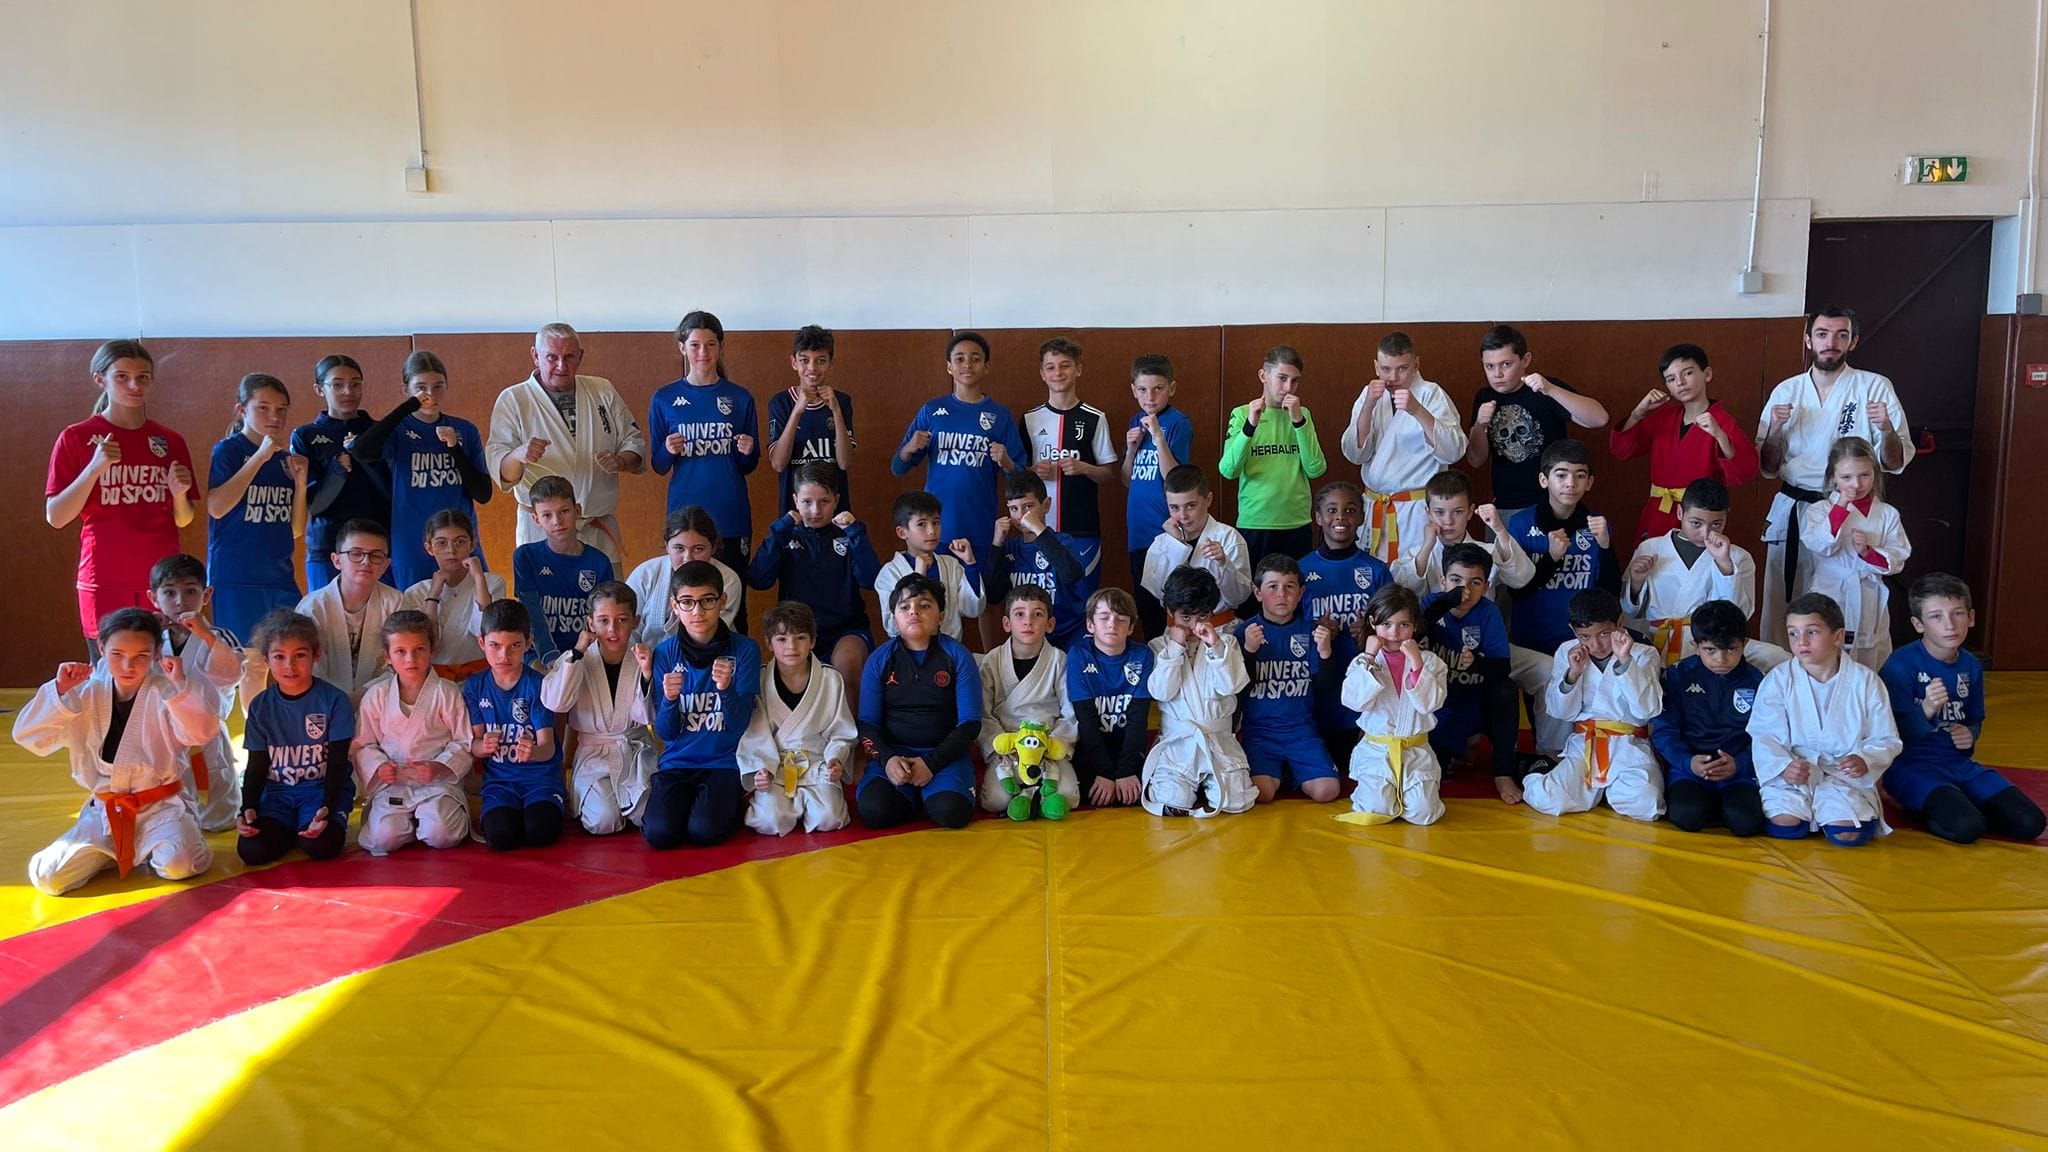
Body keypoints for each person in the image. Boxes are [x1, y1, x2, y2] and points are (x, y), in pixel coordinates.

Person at [12, 608, 217, 895]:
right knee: (49, 877)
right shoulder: (86, 693)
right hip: (106, 812)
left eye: (141, 656)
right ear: (101, 647)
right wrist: (60, 691)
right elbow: (29, 736)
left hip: (161, 808)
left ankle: (144, 846)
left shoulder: (167, 690)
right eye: (117, 654)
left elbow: (201, 733)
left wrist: (181, 688)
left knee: (180, 864)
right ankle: (115, 851)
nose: (127, 666)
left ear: (157, 652)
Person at [1757, 307, 1914, 640]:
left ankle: (1848, 667)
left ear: (1853, 341)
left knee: (1847, 602)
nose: (1831, 342)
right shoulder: (1787, 391)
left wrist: (1887, 429)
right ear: (1808, 340)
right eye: (1822, 334)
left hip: (1853, 512)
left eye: (1841, 335)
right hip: (1796, 508)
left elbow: (1894, 461)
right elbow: (1767, 467)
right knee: (1784, 599)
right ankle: (1782, 668)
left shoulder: (1874, 386)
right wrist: (1775, 430)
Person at [45, 340, 197, 651]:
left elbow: (183, 518)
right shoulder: (76, 437)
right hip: (104, 578)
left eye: (142, 377)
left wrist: (180, 494)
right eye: (122, 377)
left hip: (161, 580)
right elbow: (56, 517)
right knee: (110, 671)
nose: (134, 385)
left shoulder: (169, 440)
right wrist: (94, 469)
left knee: (164, 670)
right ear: (100, 379)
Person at [1880, 574, 2046, 844]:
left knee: (2031, 823)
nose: (1949, 625)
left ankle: (1960, 802)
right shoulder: (1899, 666)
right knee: (1968, 828)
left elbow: (1975, 718)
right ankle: (1909, 805)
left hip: (1959, 765)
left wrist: (1971, 733)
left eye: (1957, 613)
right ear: (1919, 624)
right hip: (1912, 768)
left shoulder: (1970, 665)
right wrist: (1926, 709)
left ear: (1970, 617)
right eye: (1936, 617)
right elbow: (1887, 736)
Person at [891, 331, 1026, 641]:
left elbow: (1019, 479)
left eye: (975, 359)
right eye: (960, 359)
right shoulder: (932, 410)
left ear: (986, 367)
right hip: (936, 528)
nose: (967, 365)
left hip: (980, 524)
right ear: (949, 367)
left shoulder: (999, 416)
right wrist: (910, 447)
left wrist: (1006, 462)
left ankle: (990, 665)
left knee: (986, 600)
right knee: (933, 599)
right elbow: (898, 467)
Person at [487, 323, 646, 568]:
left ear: (580, 356)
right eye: (552, 357)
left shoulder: (602, 390)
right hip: (541, 532)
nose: (561, 366)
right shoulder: (514, 399)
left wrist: (621, 461)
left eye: (569, 357)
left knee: (610, 593)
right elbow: (501, 472)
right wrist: (518, 455)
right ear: (535, 356)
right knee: (544, 593)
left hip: (596, 529)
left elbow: (633, 442)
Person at [1500, 441, 1620, 757]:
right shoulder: (1522, 523)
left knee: (1572, 713)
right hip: (1531, 637)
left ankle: (1558, 760)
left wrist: (1606, 546)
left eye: (1580, 476)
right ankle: (1542, 760)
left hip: (1578, 640)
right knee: (1541, 710)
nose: (1570, 483)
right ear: (1544, 479)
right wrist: (1551, 559)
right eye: (1562, 475)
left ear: (1590, 482)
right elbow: (1517, 590)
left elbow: (1609, 591)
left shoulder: (1596, 524)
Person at [1751, 592, 1901, 846]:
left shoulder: (1865, 681)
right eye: (1793, 633)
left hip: (1844, 776)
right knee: (1785, 824)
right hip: (1795, 772)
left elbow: (1885, 737)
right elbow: (1764, 734)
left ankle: (1828, 813)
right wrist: (1784, 767)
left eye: (1812, 632)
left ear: (1838, 636)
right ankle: (1809, 812)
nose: (1801, 642)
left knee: (1847, 833)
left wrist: (1865, 759)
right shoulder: (1778, 679)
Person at [348, 350, 494, 589]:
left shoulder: (465, 430)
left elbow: (483, 493)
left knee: (478, 608)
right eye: (421, 388)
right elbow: (361, 452)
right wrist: (409, 406)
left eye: (438, 387)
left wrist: (454, 448)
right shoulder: (396, 430)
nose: (430, 395)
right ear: (405, 390)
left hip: (459, 543)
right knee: (416, 609)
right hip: (412, 544)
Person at [747, 461, 882, 709]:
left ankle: (851, 735)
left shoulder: (848, 534)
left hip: (845, 629)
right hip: (797, 632)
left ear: (836, 500)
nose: (815, 510)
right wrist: (779, 532)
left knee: (848, 668)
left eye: (824, 501)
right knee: (793, 680)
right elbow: (758, 580)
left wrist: (855, 534)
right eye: (807, 502)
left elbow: (871, 580)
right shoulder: (786, 535)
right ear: (795, 500)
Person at [1521, 590, 1665, 821]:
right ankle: (1535, 767)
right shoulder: (1567, 652)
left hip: (1629, 746)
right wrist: (1573, 675)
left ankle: (1608, 789)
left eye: (1604, 634)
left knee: (1645, 803)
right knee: (1548, 797)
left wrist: (1625, 662)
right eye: (1584, 636)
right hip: (1584, 746)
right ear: (1573, 630)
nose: (1595, 645)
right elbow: (1560, 712)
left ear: (1620, 622)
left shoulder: (1643, 653)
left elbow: (1647, 711)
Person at [644, 561, 759, 849]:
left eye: (707, 600)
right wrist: (670, 701)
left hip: (724, 762)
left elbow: (739, 724)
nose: (697, 611)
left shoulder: (744, 649)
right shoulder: (665, 653)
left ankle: (732, 800)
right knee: (660, 834)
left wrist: (726, 690)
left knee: (704, 831)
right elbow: (666, 733)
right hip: (677, 762)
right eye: (687, 602)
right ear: (675, 605)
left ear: (723, 600)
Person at [856, 574, 984, 831]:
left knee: (952, 812)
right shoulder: (879, 660)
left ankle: (930, 795)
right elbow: (867, 724)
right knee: (874, 810)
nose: (914, 612)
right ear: (895, 619)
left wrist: (931, 764)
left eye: (924, 605)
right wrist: (888, 760)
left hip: (944, 758)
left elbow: (970, 724)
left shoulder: (958, 656)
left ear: (940, 616)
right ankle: (911, 796)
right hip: (894, 756)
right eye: (905, 607)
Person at [648, 310, 760, 590]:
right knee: (686, 596)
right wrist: (667, 450)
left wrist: (747, 451)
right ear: (682, 347)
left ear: (721, 346)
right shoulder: (664, 398)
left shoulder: (740, 397)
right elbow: (658, 465)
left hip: (730, 514)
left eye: (710, 344)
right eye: (695, 345)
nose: (703, 352)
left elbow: (749, 466)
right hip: (684, 517)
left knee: (734, 596)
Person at [236, 609, 357, 864]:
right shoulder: (261, 706)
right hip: (277, 795)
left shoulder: (334, 700)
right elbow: (256, 764)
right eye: (279, 657)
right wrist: (248, 807)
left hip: (319, 792)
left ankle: (302, 826)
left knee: (321, 845)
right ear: (266, 660)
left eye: (299, 655)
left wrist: (327, 807)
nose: (289, 666)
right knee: (251, 851)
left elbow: (338, 763)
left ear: (316, 655)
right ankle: (288, 827)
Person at [1609, 343, 1760, 545]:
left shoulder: (1722, 422)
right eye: (1671, 379)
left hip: (1698, 518)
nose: (1680, 382)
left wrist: (1720, 436)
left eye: (1687, 373)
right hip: (1658, 512)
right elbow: (1621, 450)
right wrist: (1638, 413)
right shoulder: (1664, 416)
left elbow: (1745, 472)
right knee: (1650, 561)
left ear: (1707, 374)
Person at [351, 609, 473, 855]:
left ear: (432, 650)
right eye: (400, 651)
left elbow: (463, 741)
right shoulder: (377, 695)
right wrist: (379, 766)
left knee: (440, 834)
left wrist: (438, 766)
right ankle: (408, 825)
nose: (411, 659)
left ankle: (424, 822)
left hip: (436, 782)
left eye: (419, 649)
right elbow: (363, 744)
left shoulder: (446, 692)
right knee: (383, 838)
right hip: (393, 782)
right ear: (387, 656)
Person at [1339, 331, 1467, 564]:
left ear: (1416, 365)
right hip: (1375, 505)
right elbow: (1355, 455)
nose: (1393, 377)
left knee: (1416, 572)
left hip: (1415, 510)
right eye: (1386, 369)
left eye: (1402, 369)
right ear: (1376, 367)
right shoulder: (1369, 395)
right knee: (1375, 575)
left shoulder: (1431, 394)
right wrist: (1368, 405)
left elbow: (1454, 451)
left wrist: (1417, 410)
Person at [541, 582, 655, 836]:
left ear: (635, 621)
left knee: (647, 815)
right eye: (603, 621)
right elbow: (556, 703)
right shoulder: (577, 658)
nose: (612, 629)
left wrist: (647, 673)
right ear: (590, 623)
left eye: (622, 620)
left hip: (635, 750)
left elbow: (647, 715)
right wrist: (577, 652)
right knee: (603, 821)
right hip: (594, 755)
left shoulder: (644, 657)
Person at [1141, 568, 1256, 817]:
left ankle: (1211, 784)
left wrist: (1215, 646)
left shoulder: (1226, 643)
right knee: (1171, 800)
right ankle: (1190, 787)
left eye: (1202, 616)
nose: (1194, 625)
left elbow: (1232, 686)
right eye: (1185, 617)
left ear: (1212, 613)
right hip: (1179, 745)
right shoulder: (1158, 646)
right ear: (1170, 611)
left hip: (1219, 741)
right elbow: (1161, 692)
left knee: (1237, 802)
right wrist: (1175, 648)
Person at [205, 373, 309, 647]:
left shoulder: (285, 459)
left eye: (281, 409)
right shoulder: (228, 450)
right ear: (242, 410)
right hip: (236, 579)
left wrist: (300, 485)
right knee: (244, 659)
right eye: (263, 407)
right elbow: (216, 507)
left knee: (288, 652)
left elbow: (295, 530)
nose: (274, 416)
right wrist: (260, 457)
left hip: (279, 577)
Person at [1298, 481, 1397, 766]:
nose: (1340, 517)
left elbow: (1395, 627)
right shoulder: (1301, 569)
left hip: (1364, 684)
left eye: (1350, 510)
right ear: (1318, 517)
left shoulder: (1376, 571)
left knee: (1352, 764)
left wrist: (1369, 633)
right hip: (1316, 683)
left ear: (1362, 518)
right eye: (1331, 510)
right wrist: (1316, 632)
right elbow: (1287, 625)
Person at [1465, 325, 1610, 520]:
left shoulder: (1544, 389)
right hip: (1505, 505)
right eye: (1489, 366)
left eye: (1506, 364)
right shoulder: (1485, 396)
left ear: (1525, 360)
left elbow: (1600, 418)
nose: (1497, 374)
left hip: (1551, 503)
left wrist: (1550, 390)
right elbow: (1475, 460)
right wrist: (1479, 425)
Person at [737, 601, 857, 836]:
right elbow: (754, 733)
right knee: (769, 820)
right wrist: (760, 769)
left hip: (817, 765)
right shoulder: (759, 679)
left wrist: (835, 759)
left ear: (812, 641)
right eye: (781, 639)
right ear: (768, 643)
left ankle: (813, 803)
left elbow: (842, 731)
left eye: (800, 638)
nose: (791, 646)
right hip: (776, 767)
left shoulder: (831, 679)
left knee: (830, 818)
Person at [147, 554, 248, 832]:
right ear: (153, 598)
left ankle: (220, 815)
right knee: (174, 803)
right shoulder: (150, 639)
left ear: (206, 595)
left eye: (190, 591)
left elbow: (231, 676)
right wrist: (148, 637)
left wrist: (206, 636)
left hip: (209, 731)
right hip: (166, 732)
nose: (180, 601)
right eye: (169, 593)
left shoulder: (220, 636)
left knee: (218, 794)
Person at [1650, 600, 1767, 837]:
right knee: (1687, 816)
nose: (1721, 659)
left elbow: (1766, 736)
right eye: (1710, 650)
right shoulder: (1678, 676)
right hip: (1689, 770)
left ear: (1744, 644)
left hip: (1739, 772)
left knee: (1746, 824)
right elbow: (1664, 731)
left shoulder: (1758, 681)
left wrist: (1740, 764)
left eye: (1731, 649)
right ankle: (1709, 804)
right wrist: (1688, 762)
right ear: (1695, 646)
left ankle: (1725, 805)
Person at [1339, 584, 1450, 826]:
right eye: (1386, 624)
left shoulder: (1431, 662)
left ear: (1416, 625)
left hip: (1415, 751)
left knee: (1424, 814)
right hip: (1376, 751)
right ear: (1373, 623)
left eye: (1404, 625)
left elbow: (1430, 704)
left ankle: (1412, 795)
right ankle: (1376, 792)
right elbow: (1353, 702)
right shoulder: (1363, 662)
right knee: (1377, 809)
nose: (1394, 633)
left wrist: (1417, 664)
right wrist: (1369, 658)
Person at [1799, 436, 1910, 670]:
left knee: (1870, 652)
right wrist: (1840, 507)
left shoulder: (1887, 514)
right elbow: (1819, 544)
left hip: (1868, 592)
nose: (1856, 485)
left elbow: (1898, 555)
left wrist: (1868, 552)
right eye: (1846, 477)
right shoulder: (1819, 510)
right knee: (1826, 648)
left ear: (1875, 474)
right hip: (1830, 589)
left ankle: (1867, 691)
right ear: (1833, 477)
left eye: (1864, 475)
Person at [1422, 544, 1521, 805]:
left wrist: (1477, 663)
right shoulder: (1431, 604)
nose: (1464, 591)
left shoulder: (1488, 612)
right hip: (1442, 704)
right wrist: (1444, 604)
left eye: (1474, 583)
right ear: (1443, 581)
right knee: (1434, 775)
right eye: (1456, 581)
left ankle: (1503, 773)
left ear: (1486, 587)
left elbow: (1503, 667)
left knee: (1506, 689)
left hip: (1477, 699)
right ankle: (1460, 746)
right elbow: (1414, 633)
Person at [1023, 337, 1116, 615]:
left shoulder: (1095, 417)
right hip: (1039, 529)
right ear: (1042, 374)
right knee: (1040, 606)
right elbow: (1017, 476)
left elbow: (1109, 475)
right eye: (1050, 367)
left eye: (1065, 365)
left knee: (1084, 604)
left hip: (1083, 528)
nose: (1058, 373)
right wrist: (1033, 472)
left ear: (1078, 369)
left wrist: (1084, 468)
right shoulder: (1029, 419)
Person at [1240, 554, 1343, 804]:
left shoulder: (1312, 632)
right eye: (1272, 586)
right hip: (1260, 733)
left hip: (1301, 732)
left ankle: (1292, 771)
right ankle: (1283, 772)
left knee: (1327, 791)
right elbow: (1236, 689)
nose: (1281, 595)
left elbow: (1326, 690)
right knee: (1261, 793)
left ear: (1301, 592)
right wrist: (1249, 652)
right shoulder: (1244, 632)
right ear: (1257, 592)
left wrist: (1326, 654)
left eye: (1289, 586)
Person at [464, 599, 565, 851]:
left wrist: (533, 752)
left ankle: (550, 804)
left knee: (541, 831)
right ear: (481, 642)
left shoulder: (538, 684)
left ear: (529, 643)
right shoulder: (475, 687)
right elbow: (475, 745)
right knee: (501, 837)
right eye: (495, 645)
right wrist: (483, 746)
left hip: (540, 780)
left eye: (515, 646)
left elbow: (548, 748)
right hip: (500, 784)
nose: (504, 655)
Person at [1620, 478, 1757, 665]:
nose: (1705, 533)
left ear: (1727, 516)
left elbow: (1739, 617)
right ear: (1680, 512)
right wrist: (1636, 583)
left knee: (1773, 655)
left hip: (1711, 648)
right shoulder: (1650, 548)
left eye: (1716, 524)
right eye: (1696, 523)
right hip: (1656, 641)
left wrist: (1724, 564)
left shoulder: (1739, 557)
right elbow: (1630, 612)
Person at [977, 586, 1081, 816]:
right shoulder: (992, 661)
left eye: (1037, 614)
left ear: (1050, 624)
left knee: (1069, 797)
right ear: (1007, 623)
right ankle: (1034, 795)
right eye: (1019, 614)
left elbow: (1070, 712)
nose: (1028, 622)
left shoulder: (1059, 660)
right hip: (1009, 749)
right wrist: (999, 746)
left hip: (1047, 745)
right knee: (994, 801)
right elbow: (983, 713)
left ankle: (1028, 794)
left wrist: (1052, 746)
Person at [1220, 345, 1327, 563]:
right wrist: (1250, 425)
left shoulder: (1303, 414)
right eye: (1282, 378)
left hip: (1296, 523)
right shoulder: (1241, 414)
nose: (1288, 388)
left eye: (1295, 381)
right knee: (1256, 584)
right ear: (1263, 376)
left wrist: (1299, 422)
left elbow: (1316, 469)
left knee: (1297, 583)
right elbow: (1228, 471)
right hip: (1255, 523)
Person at [297, 354, 393, 591]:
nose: (348, 391)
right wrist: (337, 469)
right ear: (320, 389)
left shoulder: (380, 431)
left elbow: (395, 494)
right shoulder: (306, 435)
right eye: (338, 385)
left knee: (386, 613)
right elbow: (314, 505)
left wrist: (365, 457)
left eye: (355, 384)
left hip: (377, 547)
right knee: (326, 613)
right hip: (327, 546)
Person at [296, 519, 419, 702]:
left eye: (376, 556)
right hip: (322, 703)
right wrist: (339, 706)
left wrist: (360, 697)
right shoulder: (312, 608)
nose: (366, 561)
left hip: (379, 701)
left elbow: (401, 663)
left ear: (385, 565)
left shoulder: (395, 602)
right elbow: (308, 667)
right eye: (356, 554)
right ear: (337, 560)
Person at [1122, 353, 1194, 641]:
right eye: (1142, 389)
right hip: (1138, 533)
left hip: (1165, 533)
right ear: (1133, 390)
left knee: (1171, 609)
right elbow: (1126, 479)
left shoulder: (1178, 423)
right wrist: (1131, 450)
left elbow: (1176, 479)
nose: (1150, 397)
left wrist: (1159, 439)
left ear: (1171, 388)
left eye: (1158, 389)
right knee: (1146, 611)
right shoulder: (1135, 420)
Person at [512, 475, 616, 663]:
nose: (557, 521)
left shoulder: (599, 562)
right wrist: (549, 658)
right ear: (536, 519)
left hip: (587, 657)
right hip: (539, 656)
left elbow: (603, 618)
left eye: (564, 511)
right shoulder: (526, 557)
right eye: (547, 515)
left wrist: (578, 658)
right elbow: (531, 612)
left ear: (577, 511)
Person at [1066, 589, 1154, 808]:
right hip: (1091, 750)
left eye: (1121, 619)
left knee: (1150, 793)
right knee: (1085, 795)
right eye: (1104, 617)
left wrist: (1125, 771)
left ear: (1130, 627)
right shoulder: (1079, 655)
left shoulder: (1142, 655)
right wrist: (1105, 772)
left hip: (1128, 749)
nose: (1112, 624)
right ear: (1090, 624)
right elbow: (1085, 721)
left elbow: (1138, 720)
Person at [1390, 471, 1534, 599]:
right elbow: (1402, 594)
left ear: (1470, 511)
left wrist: (1500, 530)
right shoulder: (1417, 554)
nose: (1448, 521)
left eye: (1458, 512)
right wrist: (1427, 547)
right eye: (1439, 512)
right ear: (1428, 513)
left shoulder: (1488, 552)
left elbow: (1522, 578)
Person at [986, 472, 1085, 650]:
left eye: (1028, 506)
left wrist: (1039, 529)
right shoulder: (1009, 548)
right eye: (1014, 509)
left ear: (1046, 505)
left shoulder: (1063, 541)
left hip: (1068, 632)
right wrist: (996, 544)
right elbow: (993, 595)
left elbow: (1072, 575)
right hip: (1027, 635)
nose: (1021, 515)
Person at [1139, 465, 1252, 620]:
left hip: (1219, 627)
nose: (1183, 515)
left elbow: (1239, 597)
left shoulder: (1229, 538)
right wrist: (1175, 545)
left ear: (1208, 499)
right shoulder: (1162, 543)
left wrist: (1224, 563)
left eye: (1191, 506)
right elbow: (1159, 593)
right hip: (1175, 629)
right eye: (1174, 507)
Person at [767, 324, 855, 515]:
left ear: (831, 363)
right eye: (804, 360)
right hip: (795, 513)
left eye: (820, 360)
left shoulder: (841, 402)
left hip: (835, 512)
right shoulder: (781, 402)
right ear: (794, 362)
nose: (812, 368)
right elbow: (778, 464)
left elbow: (845, 463)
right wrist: (797, 412)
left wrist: (836, 411)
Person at [406, 509, 504, 680]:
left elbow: (487, 632)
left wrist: (479, 578)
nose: (451, 550)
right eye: (441, 543)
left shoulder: (492, 582)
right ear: (429, 548)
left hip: (482, 678)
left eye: (460, 542)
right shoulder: (416, 592)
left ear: (472, 544)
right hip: (433, 679)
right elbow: (429, 643)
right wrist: (433, 596)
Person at [625, 506, 743, 645]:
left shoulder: (728, 580)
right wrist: (640, 656)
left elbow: (709, 633)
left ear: (713, 547)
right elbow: (628, 629)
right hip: (645, 656)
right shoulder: (645, 574)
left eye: (698, 549)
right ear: (667, 546)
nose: (688, 558)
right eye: (679, 548)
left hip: (709, 654)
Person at [875, 491, 983, 641]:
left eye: (936, 522)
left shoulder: (950, 564)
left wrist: (970, 564)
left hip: (949, 648)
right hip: (910, 650)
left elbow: (973, 609)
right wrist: (918, 577)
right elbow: (892, 627)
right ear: (902, 532)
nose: (932, 531)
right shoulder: (889, 573)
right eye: (922, 524)